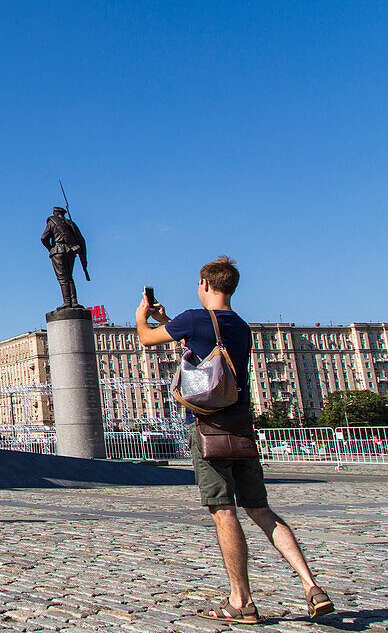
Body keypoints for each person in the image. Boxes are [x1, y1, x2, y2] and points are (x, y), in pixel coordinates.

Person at [135, 256, 334, 624]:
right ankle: (311, 585)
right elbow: (204, 343)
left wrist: (142, 314)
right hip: (243, 427)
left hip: (209, 429)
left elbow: (146, 338)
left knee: (223, 510)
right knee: (260, 509)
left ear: (205, 284)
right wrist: (168, 320)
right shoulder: (241, 326)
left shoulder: (194, 318)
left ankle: (241, 601)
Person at [40, 206, 88, 308]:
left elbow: (44, 238)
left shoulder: (52, 222)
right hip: (71, 251)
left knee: (62, 278)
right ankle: (74, 301)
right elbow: (80, 239)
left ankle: (67, 302)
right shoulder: (71, 224)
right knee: (70, 278)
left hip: (58, 251)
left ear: (55, 213)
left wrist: (50, 248)